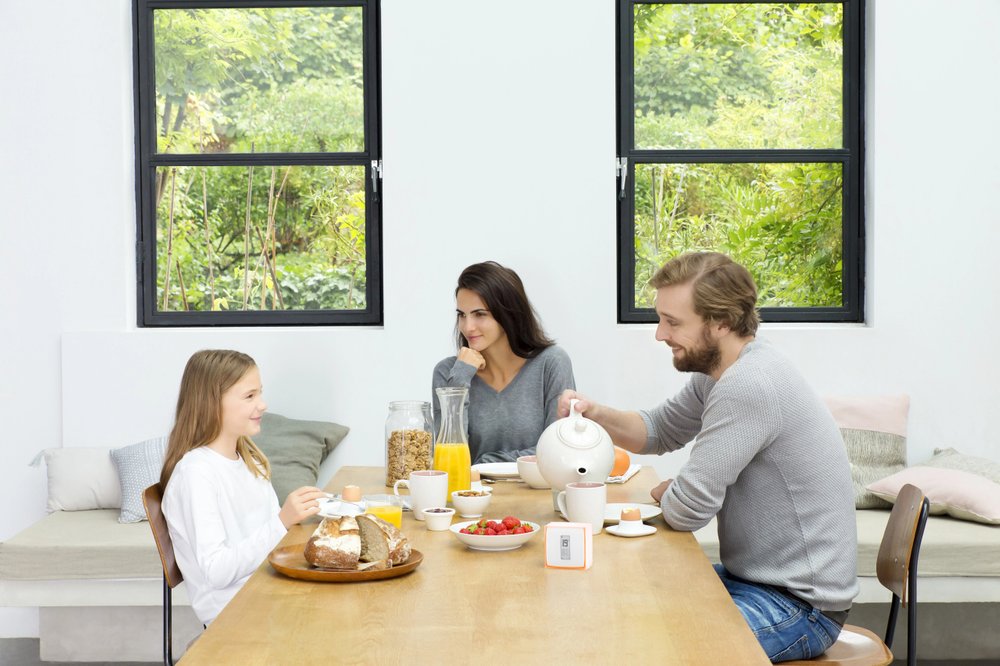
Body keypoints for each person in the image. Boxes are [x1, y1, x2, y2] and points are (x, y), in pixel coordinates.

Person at [559, 252, 857, 663]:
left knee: (650, 646)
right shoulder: (721, 371)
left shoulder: (748, 384)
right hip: (753, 582)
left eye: (673, 322)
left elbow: (687, 510)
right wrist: (594, 413)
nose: (660, 334)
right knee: (625, 602)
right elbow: (659, 430)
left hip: (799, 608)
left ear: (720, 322)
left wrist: (673, 493)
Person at [160, 349, 325, 626]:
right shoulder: (196, 474)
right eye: (250, 396)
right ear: (211, 403)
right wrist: (282, 521)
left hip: (267, 589)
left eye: (259, 393)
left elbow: (271, 540)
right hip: (235, 613)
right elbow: (216, 571)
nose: (262, 405)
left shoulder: (249, 458)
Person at [432, 261, 576, 464]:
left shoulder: (551, 363)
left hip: (537, 492)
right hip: (470, 495)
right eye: (462, 315)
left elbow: (559, 449)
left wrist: (486, 463)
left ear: (508, 313)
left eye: (479, 314)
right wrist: (461, 378)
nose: (467, 326)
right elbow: (446, 457)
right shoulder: (449, 372)